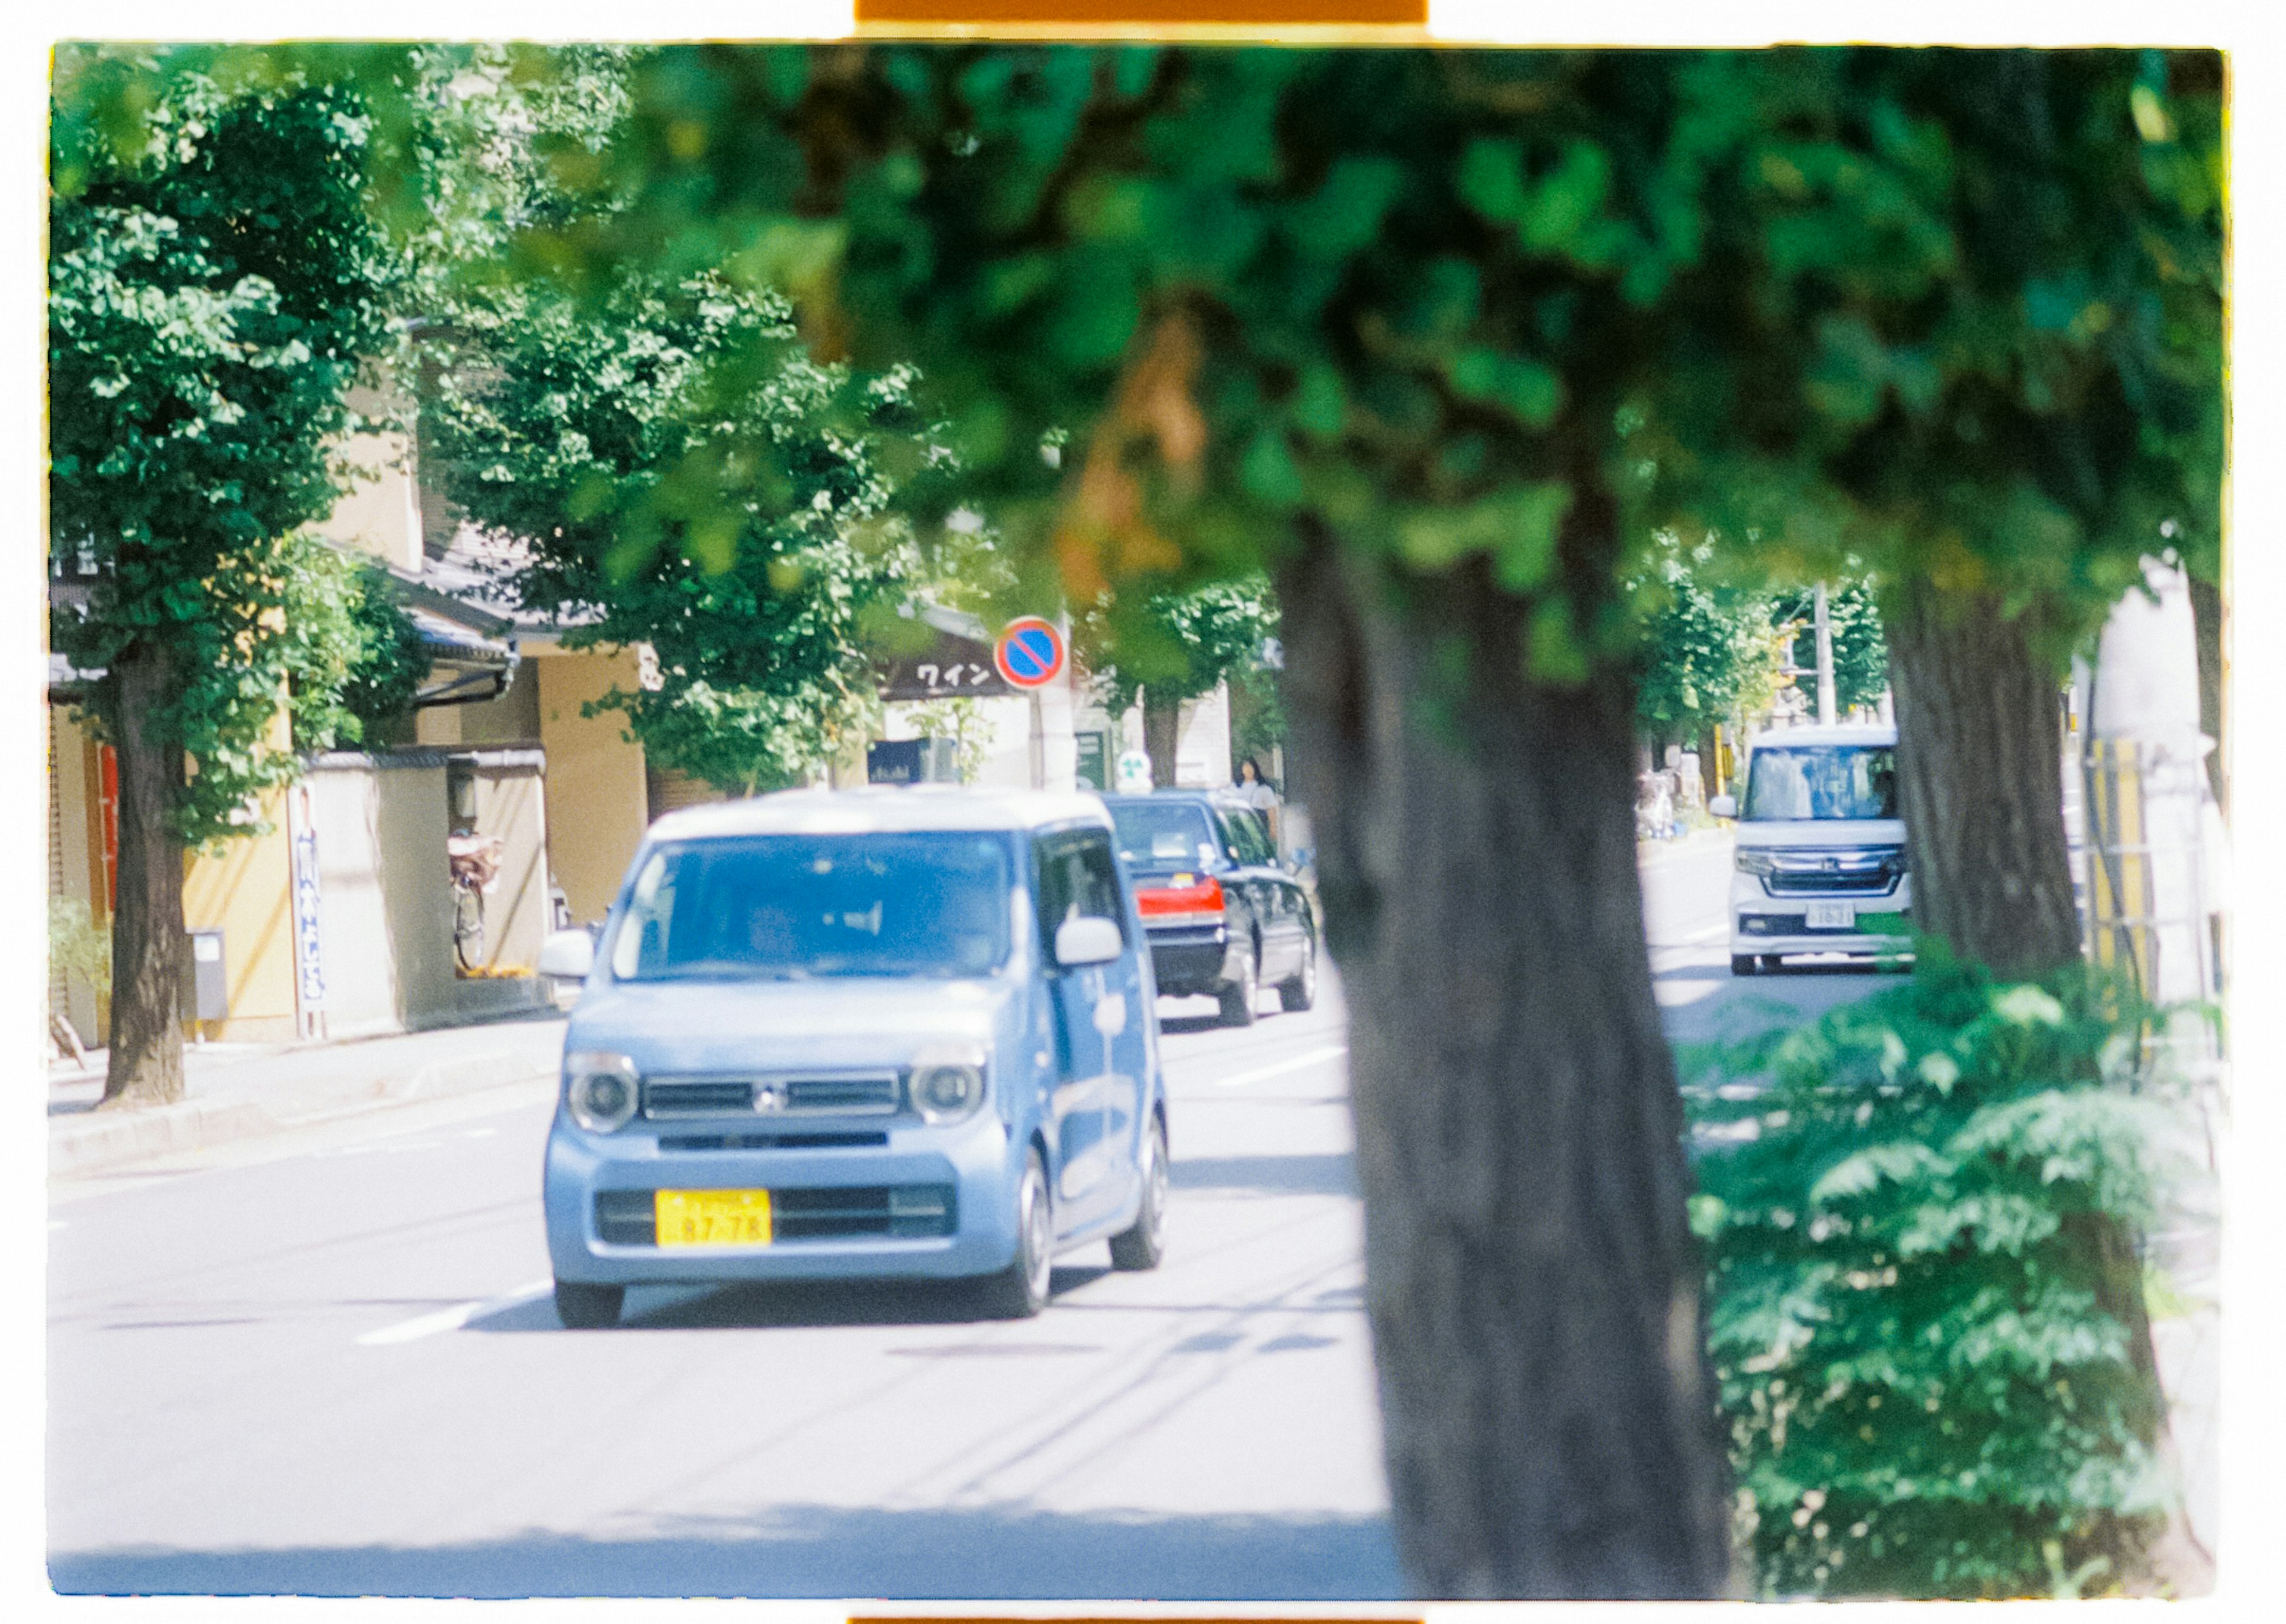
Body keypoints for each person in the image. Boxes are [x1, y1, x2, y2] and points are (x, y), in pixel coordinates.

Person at [1233, 756, 1282, 844]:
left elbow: (1271, 810)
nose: (1248, 770)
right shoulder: (1235, 788)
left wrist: (1273, 828)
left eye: (1251, 767)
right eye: (1246, 767)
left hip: (1259, 824)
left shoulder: (1264, 788)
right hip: (1241, 825)